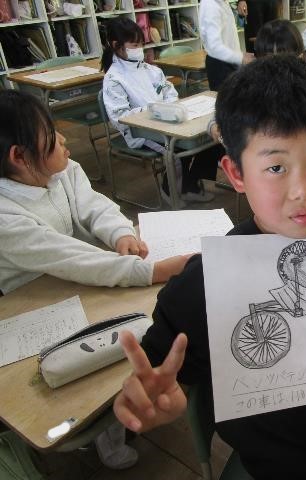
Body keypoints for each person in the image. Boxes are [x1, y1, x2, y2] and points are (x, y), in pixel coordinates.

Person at [113, 55, 306, 479]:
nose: (303, 190)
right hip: (276, 467)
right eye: (275, 167)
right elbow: (159, 371)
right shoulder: (203, 285)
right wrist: (155, 397)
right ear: (236, 174)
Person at [0, 89, 191, 469]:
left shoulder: (61, 170)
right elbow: (69, 257)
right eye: (51, 136)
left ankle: (115, 425)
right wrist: (152, 270)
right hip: (31, 305)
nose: (63, 139)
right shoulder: (5, 215)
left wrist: (120, 234)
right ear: (19, 157)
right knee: (78, 371)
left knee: (120, 347)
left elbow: (95, 207)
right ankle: (99, 431)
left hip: (82, 283)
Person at [101, 17, 220, 205]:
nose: (140, 49)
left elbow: (169, 92)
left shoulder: (150, 70)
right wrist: (155, 110)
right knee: (177, 149)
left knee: (209, 139)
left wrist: (168, 107)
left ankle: (190, 185)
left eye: (141, 44)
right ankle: (170, 190)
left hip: (169, 121)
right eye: (134, 45)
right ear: (116, 45)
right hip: (140, 131)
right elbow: (119, 118)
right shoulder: (113, 78)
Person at [200, 0, 254, 90]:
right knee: (227, 97)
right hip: (220, 65)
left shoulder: (223, 2)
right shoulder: (211, 5)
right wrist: (240, 57)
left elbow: (228, 36)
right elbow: (214, 46)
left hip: (230, 62)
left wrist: (240, 55)